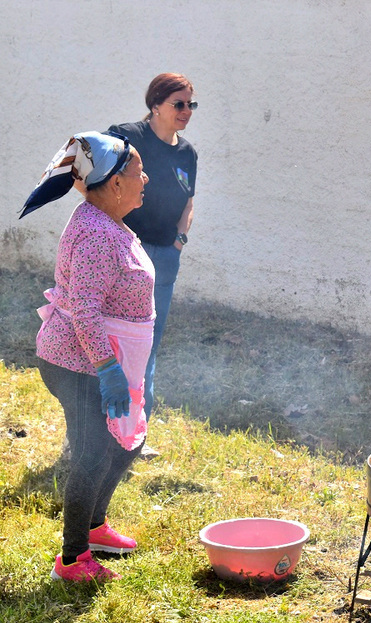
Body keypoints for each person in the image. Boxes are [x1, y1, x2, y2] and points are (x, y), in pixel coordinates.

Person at [19, 131, 153, 582]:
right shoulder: (96, 232)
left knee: (122, 443)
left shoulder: (107, 220)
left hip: (102, 360)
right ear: (115, 183)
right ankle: (73, 560)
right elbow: (85, 309)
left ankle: (94, 527)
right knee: (93, 452)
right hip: (77, 363)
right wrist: (107, 368)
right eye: (138, 173)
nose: (145, 179)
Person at [107, 73, 198, 447]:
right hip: (121, 254)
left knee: (148, 342)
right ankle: (96, 429)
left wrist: (178, 242)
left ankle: (133, 431)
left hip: (163, 259)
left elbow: (188, 202)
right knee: (111, 337)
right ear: (156, 104)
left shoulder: (188, 153)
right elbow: (99, 186)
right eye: (179, 104)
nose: (186, 112)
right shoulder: (126, 137)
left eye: (191, 105)